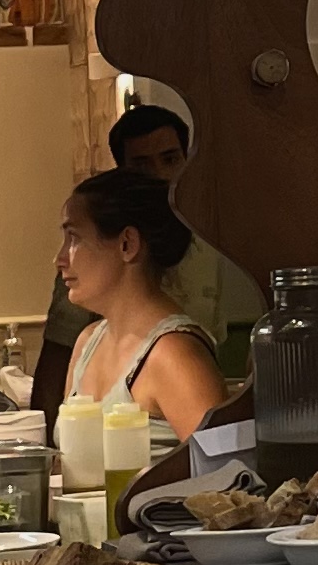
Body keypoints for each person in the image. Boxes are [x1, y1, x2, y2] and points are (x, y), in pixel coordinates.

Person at [35, 101, 201, 415]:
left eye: (170, 159)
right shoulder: (87, 341)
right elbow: (55, 356)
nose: (159, 175)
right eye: (142, 165)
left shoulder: (174, 351)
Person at [54, 166, 225, 449]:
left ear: (127, 244)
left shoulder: (173, 354)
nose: (60, 259)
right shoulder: (88, 342)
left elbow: (224, 469)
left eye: (75, 239)